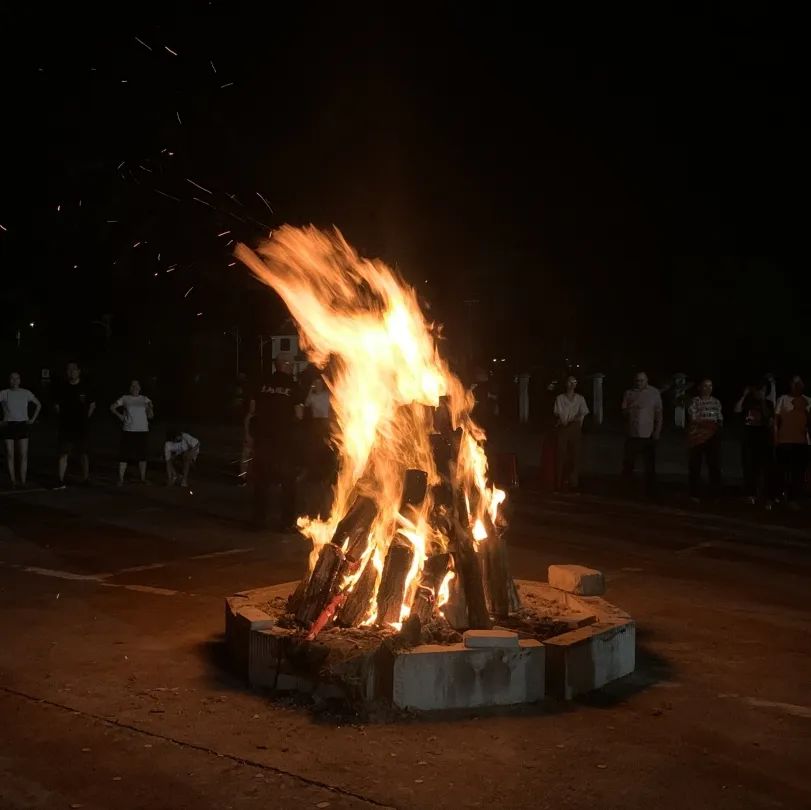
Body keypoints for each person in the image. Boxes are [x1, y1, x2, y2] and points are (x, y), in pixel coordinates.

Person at [246, 352, 305, 531]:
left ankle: (258, 521)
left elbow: (252, 410)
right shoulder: (293, 386)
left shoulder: (262, 383)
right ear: (285, 365)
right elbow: (299, 415)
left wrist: (250, 436)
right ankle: (286, 523)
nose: (292, 367)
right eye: (291, 364)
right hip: (284, 442)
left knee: (261, 481)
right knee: (288, 482)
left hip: (263, 440)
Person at [54, 362, 95, 489]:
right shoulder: (62, 387)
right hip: (66, 427)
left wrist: (84, 419)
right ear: (67, 372)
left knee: (83, 453)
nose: (72, 372)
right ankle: (60, 480)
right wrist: (64, 418)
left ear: (79, 371)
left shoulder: (85, 387)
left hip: (81, 427)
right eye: (69, 369)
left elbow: (92, 405)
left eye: (74, 369)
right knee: (63, 453)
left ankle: (86, 479)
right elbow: (57, 406)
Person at [621, 371, 663, 496]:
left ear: (646, 380)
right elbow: (623, 412)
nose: (639, 383)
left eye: (641, 380)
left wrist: (657, 431)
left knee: (649, 465)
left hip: (648, 434)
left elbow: (659, 414)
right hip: (632, 434)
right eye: (637, 381)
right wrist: (630, 408)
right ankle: (627, 490)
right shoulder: (629, 393)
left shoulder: (654, 393)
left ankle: (651, 491)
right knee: (628, 464)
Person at [734, 380, 775, 505]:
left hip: (763, 440)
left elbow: (768, 418)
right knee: (748, 467)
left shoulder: (768, 403)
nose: (760, 392)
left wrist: (762, 401)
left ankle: (766, 495)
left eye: (763, 390)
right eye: (758, 390)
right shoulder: (748, 402)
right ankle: (750, 494)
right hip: (749, 439)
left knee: (765, 468)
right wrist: (744, 395)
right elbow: (737, 410)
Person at [774, 375, 811, 508]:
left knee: (798, 472)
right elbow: (776, 421)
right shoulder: (783, 399)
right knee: (782, 470)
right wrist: (775, 438)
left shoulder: (807, 401)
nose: (797, 386)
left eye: (799, 383)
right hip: (784, 440)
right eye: (794, 383)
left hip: (801, 441)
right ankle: (779, 495)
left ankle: (793, 498)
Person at [0, 372, 42, 488]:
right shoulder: (4, 393)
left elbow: (38, 404)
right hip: (9, 425)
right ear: (9, 380)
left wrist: (32, 419)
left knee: (23, 454)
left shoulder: (26, 392)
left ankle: (23, 481)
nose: (14, 380)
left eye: (17, 378)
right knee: (10, 454)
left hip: (22, 425)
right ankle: (13, 481)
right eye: (12, 378)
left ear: (20, 380)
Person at [110, 380, 154, 485]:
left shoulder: (145, 399)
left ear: (140, 387)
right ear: (130, 388)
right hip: (128, 430)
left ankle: (143, 479)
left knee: (142, 456)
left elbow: (150, 416)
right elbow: (112, 407)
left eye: (137, 385)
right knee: (124, 456)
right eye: (133, 385)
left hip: (142, 430)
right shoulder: (125, 398)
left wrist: (150, 409)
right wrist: (120, 416)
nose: (135, 387)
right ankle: (121, 479)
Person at [687, 378, 724, 501]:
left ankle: (715, 493)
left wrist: (716, 428)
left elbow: (719, 419)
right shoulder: (695, 401)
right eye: (705, 386)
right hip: (697, 437)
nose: (708, 389)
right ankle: (694, 493)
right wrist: (708, 424)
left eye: (710, 386)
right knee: (695, 466)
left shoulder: (716, 402)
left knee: (714, 465)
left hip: (712, 437)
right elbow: (693, 418)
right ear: (699, 387)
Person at [553, 375, 589, 491]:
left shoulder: (580, 399)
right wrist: (562, 421)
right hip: (563, 427)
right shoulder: (560, 398)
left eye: (574, 382)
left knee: (575, 455)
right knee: (561, 454)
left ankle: (573, 483)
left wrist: (575, 419)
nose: (572, 384)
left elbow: (583, 413)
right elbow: (557, 413)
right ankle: (559, 482)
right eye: (570, 382)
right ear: (566, 383)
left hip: (575, 427)